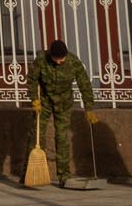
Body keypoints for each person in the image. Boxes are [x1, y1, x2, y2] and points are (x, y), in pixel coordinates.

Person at [27, 38, 97, 184]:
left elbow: (84, 84)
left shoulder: (73, 62)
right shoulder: (41, 60)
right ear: (51, 55)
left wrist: (89, 108)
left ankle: (63, 175)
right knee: (37, 136)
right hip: (44, 102)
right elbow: (32, 80)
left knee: (62, 138)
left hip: (64, 104)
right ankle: (29, 173)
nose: (59, 61)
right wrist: (34, 99)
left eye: (62, 59)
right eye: (56, 59)